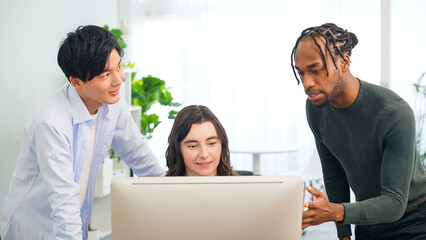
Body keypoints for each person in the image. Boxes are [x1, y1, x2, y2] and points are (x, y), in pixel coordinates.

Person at [0, 25, 165, 240]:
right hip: (35, 228)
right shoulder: (51, 122)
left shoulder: (113, 100)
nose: (118, 80)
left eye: (119, 67)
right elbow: (64, 201)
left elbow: (137, 153)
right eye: (106, 74)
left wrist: (175, 192)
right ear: (76, 82)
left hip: (73, 224)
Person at [291, 23, 426, 239]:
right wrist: (343, 234)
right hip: (366, 220)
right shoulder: (316, 108)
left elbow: (394, 202)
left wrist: (334, 212)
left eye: (315, 70)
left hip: (414, 220)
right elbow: (334, 174)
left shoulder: (394, 113)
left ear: (344, 62)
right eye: (301, 72)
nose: (307, 83)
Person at [165, 105, 238, 176]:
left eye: (212, 143)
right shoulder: (162, 187)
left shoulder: (241, 186)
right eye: (192, 146)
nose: (204, 155)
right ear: (177, 148)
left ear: (222, 144)